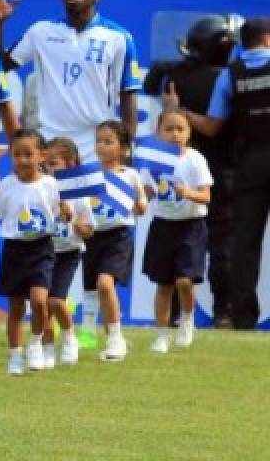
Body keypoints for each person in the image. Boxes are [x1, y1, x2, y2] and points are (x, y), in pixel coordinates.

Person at [0, 0, 140, 163]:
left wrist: (126, 147)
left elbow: (128, 94)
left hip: (96, 143)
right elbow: (1, 65)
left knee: (93, 196)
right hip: (51, 139)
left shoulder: (119, 38)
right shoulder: (41, 32)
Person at [179, 17, 270, 330]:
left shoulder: (231, 75)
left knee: (245, 242)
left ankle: (243, 318)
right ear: (268, 40)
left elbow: (212, 126)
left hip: (250, 163)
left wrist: (182, 113)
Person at [147, 15, 238, 326]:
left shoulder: (177, 76)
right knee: (222, 242)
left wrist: (174, 105)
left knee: (174, 239)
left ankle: (172, 314)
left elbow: (149, 85)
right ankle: (224, 311)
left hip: (179, 170)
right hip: (223, 170)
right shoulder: (231, 77)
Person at [0, 129, 64, 375]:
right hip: (14, 250)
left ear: (42, 156)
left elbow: (61, 212)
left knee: (38, 301)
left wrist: (67, 214)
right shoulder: (6, 186)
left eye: (28, 154)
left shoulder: (50, 185)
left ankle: (35, 344)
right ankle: (15, 355)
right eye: (17, 154)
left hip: (41, 247)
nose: (23, 160)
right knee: (15, 307)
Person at [142, 107, 212, 354]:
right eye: (168, 129)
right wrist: (139, 200)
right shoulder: (153, 161)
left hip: (190, 227)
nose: (174, 134)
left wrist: (188, 192)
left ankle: (187, 319)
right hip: (162, 226)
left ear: (188, 133)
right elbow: (148, 191)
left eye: (179, 129)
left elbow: (206, 196)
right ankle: (161, 334)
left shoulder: (195, 160)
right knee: (164, 284)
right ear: (158, 132)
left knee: (184, 280)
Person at [86, 120, 147, 361]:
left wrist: (134, 202)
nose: (102, 146)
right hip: (93, 236)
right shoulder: (90, 174)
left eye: (108, 141)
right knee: (96, 289)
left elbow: (141, 207)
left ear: (123, 148)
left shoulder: (130, 175)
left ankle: (116, 338)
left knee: (104, 283)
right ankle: (107, 335)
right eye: (99, 141)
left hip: (119, 235)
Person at [40, 136, 93, 366]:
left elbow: (88, 230)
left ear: (70, 164)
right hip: (43, 251)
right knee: (41, 303)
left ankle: (69, 336)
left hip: (68, 252)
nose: (49, 170)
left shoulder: (79, 195)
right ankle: (47, 347)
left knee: (56, 300)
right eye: (46, 165)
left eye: (54, 164)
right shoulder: (41, 190)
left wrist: (74, 221)